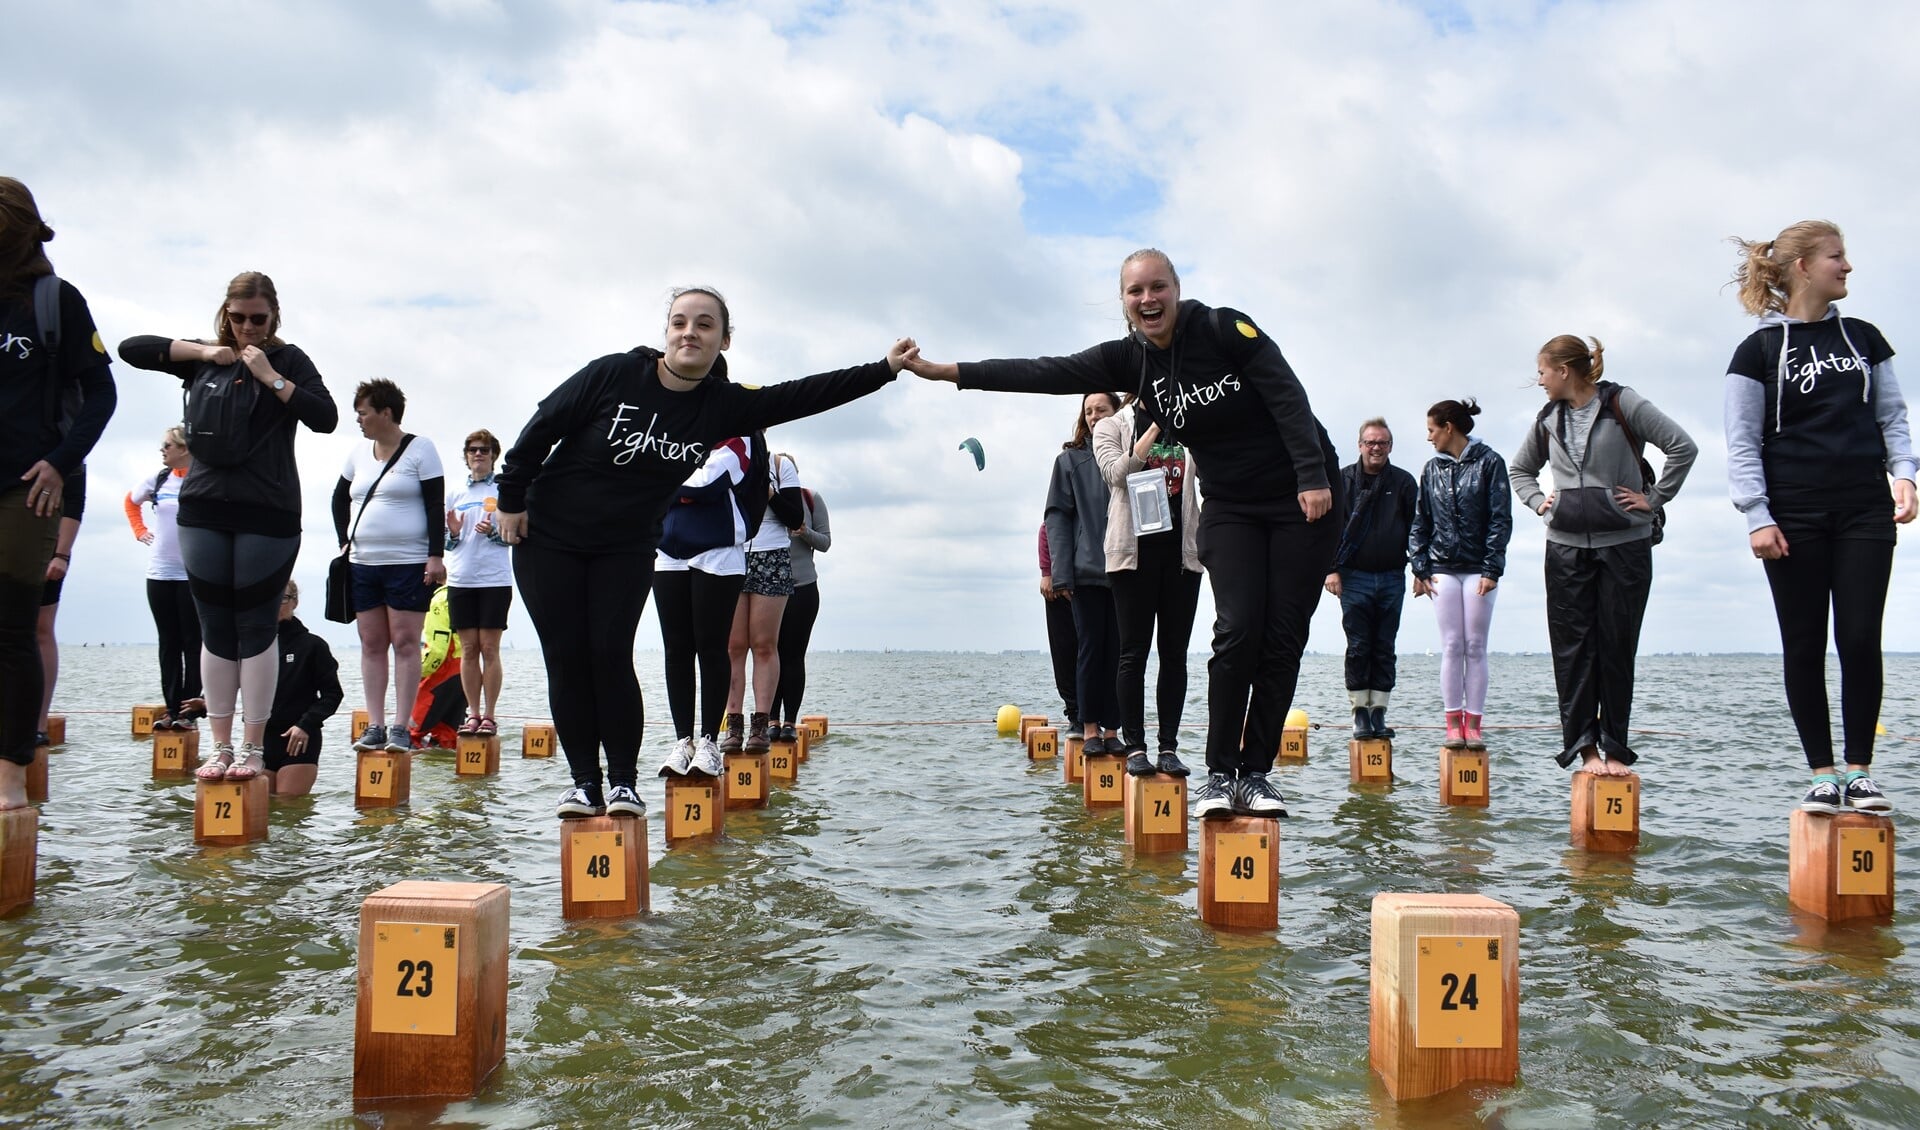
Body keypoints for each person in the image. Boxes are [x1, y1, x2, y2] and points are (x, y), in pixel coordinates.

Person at [905, 248, 1341, 819]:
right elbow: (1044, 371)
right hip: (1232, 504)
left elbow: (1287, 393)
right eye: (1135, 292)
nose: (1148, 300)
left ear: (1176, 289)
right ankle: (1217, 774)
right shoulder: (1129, 362)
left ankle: (1256, 774)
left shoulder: (1223, 328)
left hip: (1302, 494)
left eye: (1157, 287)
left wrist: (1311, 476)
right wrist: (948, 373)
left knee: (1282, 639)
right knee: (1237, 630)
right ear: (1124, 301)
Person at [493, 285, 911, 820]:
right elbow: (542, 427)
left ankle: (622, 784)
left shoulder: (721, 407)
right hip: (548, 535)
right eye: (679, 322)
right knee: (566, 659)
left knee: (609, 654)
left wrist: (884, 368)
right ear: (666, 332)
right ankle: (582, 785)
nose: (689, 331)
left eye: (705, 324)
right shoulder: (616, 373)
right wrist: (509, 499)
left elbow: (804, 394)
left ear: (724, 341)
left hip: (625, 545)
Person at [1725, 220, 1916, 813]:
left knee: (1860, 637)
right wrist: (1756, 514)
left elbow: (1892, 418)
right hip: (1792, 515)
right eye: (1837, 256)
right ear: (1804, 267)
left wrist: (1905, 474)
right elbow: (1742, 441)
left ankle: (1860, 771)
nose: (1848, 266)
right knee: (1803, 642)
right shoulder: (1757, 350)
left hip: (1864, 507)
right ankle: (1822, 773)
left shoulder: (1865, 338)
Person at [119, 270, 338, 782]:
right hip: (204, 509)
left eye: (257, 319)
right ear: (226, 315)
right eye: (237, 319)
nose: (247, 328)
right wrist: (201, 354)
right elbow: (132, 348)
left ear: (273, 316)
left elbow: (324, 416)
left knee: (255, 625)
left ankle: (253, 749)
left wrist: (270, 377)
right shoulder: (206, 358)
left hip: (268, 510)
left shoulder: (289, 359)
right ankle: (218, 748)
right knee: (215, 630)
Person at [1510, 336, 1697, 776]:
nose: (1538, 380)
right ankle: (1585, 751)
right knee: (1572, 652)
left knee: (1616, 647)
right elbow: (1520, 469)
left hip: (1625, 547)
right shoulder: (1547, 418)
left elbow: (1683, 447)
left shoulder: (1622, 403)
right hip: (1565, 549)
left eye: (1541, 371)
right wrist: (1539, 502)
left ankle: (1614, 750)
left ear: (1564, 371)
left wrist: (1654, 498)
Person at [1, 177, 117, 808]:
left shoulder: (55, 301)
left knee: (14, 630)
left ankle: (12, 775)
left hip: (25, 489)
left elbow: (102, 393)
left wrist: (59, 462)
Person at [333, 378, 445, 755]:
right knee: (372, 642)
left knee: (406, 641)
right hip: (364, 562)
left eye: (363, 413)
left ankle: (401, 726)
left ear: (386, 412)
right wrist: (343, 540)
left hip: (408, 561)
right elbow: (338, 498)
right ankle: (375, 724)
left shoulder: (420, 449)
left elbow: (434, 504)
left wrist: (435, 555)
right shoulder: (357, 454)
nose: (359, 420)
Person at [1092, 394, 1201, 777]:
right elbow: (1116, 474)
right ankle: (1135, 747)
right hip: (1132, 555)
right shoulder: (1112, 425)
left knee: (1175, 654)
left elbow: (1212, 471)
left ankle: (1168, 747)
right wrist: (1154, 425)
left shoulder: (1187, 422)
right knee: (1133, 653)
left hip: (1182, 555)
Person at [655, 431, 761, 776]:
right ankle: (682, 740)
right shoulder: (671, 427)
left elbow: (705, 484)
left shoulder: (739, 434)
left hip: (717, 549)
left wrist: (665, 484)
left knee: (711, 647)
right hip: (667, 549)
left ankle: (709, 741)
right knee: (676, 648)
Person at [1409, 399, 1512, 751]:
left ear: (1449, 427)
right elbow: (1420, 521)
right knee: (1452, 645)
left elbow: (1501, 519)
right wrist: (1419, 567)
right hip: (1442, 568)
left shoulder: (1490, 462)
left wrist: (1492, 567)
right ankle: (1453, 724)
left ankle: (1475, 723)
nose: (1429, 437)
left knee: (1475, 645)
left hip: (1479, 568)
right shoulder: (1431, 468)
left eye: (1431, 429)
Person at [1325, 419, 1418, 741]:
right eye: (1370, 442)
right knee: (1359, 646)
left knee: (1384, 646)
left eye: (1382, 442)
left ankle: (1379, 712)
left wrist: (1420, 570)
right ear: (1360, 445)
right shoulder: (1344, 480)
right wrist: (1331, 569)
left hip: (1393, 574)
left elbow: (1417, 530)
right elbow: (1329, 528)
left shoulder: (1404, 482)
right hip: (1353, 575)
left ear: (1390, 446)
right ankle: (1359, 714)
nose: (1376, 447)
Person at [1047, 392, 1125, 760]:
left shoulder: (1133, 454)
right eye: (1088, 411)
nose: (1094, 416)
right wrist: (1061, 574)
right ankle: (1089, 727)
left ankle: (1114, 731)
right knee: (1091, 651)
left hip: (1128, 571)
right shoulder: (1069, 461)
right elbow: (1057, 517)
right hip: (1087, 572)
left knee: (1121, 654)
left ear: (1117, 413)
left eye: (1102, 410)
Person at [722, 447, 804, 753]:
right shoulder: (722, 457)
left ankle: (761, 724)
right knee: (734, 646)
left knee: (764, 644)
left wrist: (768, 492)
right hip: (730, 553)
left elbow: (796, 517)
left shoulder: (780, 465)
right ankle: (733, 724)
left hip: (772, 555)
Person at [126, 428, 203, 732]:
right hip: (159, 573)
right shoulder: (159, 479)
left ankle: (190, 710)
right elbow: (131, 502)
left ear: (184, 448)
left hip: (192, 575)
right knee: (168, 643)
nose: (163, 451)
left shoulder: (201, 477)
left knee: (192, 642)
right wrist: (139, 530)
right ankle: (171, 708)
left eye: (167, 446)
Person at [445, 428, 511, 736]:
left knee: (489, 648)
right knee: (468, 649)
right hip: (461, 578)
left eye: (484, 449)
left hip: (495, 578)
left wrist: (493, 533)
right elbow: (446, 541)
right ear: (466, 455)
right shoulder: (455, 491)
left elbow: (516, 534)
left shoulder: (503, 490)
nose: (478, 454)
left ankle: (490, 714)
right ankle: (472, 714)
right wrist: (455, 532)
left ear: (494, 455)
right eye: (473, 449)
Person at [261, 580, 342, 797]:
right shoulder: (255, 646)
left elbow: (333, 694)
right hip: (263, 739)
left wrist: (306, 724)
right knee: (262, 812)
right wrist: (205, 701)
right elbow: (234, 681)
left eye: (283, 598)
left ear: (294, 602)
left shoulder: (313, 645)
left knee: (288, 811)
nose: (276, 604)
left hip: (300, 739)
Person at [769, 459, 828, 742]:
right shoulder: (765, 498)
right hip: (767, 589)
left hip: (803, 588)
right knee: (769, 655)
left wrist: (803, 530)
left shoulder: (810, 498)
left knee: (793, 657)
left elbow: (826, 542)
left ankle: (790, 721)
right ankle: (770, 720)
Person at [35, 466, 84, 746]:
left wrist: (61, 554)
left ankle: (39, 723)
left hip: (48, 546)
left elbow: (75, 502)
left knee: (41, 628)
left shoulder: (67, 440)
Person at [1037, 521, 1079, 736]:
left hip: (1093, 583)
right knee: (1064, 653)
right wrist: (1047, 571)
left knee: (1096, 655)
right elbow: (1048, 527)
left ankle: (1096, 717)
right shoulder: (1064, 492)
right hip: (1058, 585)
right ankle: (1074, 715)